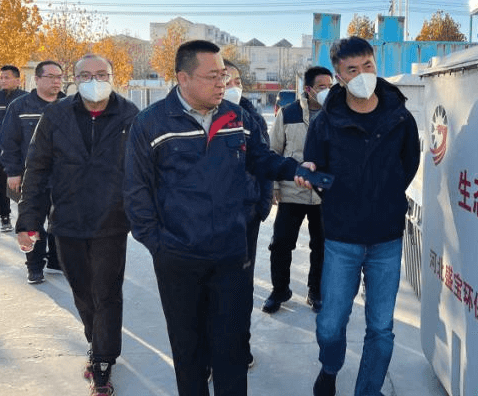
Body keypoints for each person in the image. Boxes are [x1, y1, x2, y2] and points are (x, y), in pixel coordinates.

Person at [124, 40, 302, 396]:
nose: (223, 83)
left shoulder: (238, 118)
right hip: (178, 258)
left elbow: (261, 159)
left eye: (224, 75)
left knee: (232, 350)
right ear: (183, 78)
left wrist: (293, 170)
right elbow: (135, 190)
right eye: (213, 76)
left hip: (231, 254)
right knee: (188, 350)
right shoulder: (151, 123)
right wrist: (159, 245)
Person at [297, 37, 420, 396]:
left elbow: (408, 165)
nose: (363, 74)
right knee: (330, 325)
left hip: (386, 238)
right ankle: (330, 367)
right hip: (342, 237)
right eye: (353, 70)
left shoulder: (400, 117)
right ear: (339, 76)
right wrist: (327, 186)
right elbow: (315, 165)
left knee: (381, 328)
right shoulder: (326, 122)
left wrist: (383, 195)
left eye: (368, 65)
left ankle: (368, 390)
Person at [17, 54, 139, 396]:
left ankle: (102, 362)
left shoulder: (130, 115)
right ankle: (95, 341)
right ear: (75, 79)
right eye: (86, 75)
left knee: (107, 292)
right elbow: (37, 169)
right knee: (83, 293)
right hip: (67, 220)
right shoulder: (56, 115)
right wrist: (28, 220)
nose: (94, 80)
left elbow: (146, 169)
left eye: (101, 74)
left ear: (113, 77)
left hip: (111, 221)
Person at [262, 66, 332, 314]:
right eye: (322, 87)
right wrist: (274, 185)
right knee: (281, 244)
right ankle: (280, 290)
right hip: (292, 190)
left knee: (321, 246)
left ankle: (316, 291)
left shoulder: (336, 115)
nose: (327, 91)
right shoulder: (288, 113)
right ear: (308, 89)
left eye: (330, 86)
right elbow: (273, 151)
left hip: (324, 195)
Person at [222, 59, 273, 369]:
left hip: (245, 216)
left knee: (242, 284)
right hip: (203, 221)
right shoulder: (190, 120)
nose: (233, 87)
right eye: (226, 80)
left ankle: (240, 344)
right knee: (209, 287)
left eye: (237, 81)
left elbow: (264, 162)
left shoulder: (253, 119)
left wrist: (262, 204)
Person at [0, 60, 66, 284]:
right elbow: (8, 142)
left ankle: (57, 262)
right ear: (36, 79)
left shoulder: (70, 106)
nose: (56, 81)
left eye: (59, 77)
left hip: (63, 179)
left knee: (62, 222)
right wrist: (13, 172)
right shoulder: (20, 107)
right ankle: (35, 267)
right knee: (31, 224)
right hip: (31, 178)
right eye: (51, 77)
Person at [0, 65, 27, 232]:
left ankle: (26, 218)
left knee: (25, 187)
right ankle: (4, 217)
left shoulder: (27, 99)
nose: (2, 80)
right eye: (1, 77)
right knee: (1, 186)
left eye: (7, 77)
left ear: (18, 80)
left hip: (23, 154)